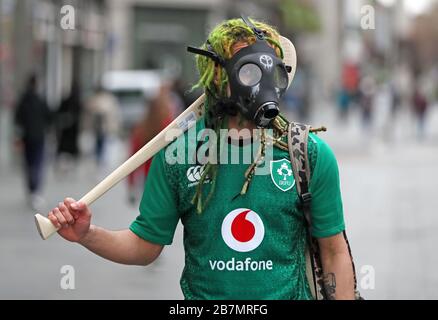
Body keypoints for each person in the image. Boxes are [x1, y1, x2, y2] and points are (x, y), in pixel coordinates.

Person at [46, 17, 356, 300]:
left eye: (271, 70)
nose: (263, 82)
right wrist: (88, 234)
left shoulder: (308, 154)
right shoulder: (178, 154)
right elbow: (144, 245)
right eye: (249, 70)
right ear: (219, 76)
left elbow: (334, 252)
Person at [127, 83, 174, 205]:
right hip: (168, 179)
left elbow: (133, 159)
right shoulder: (169, 126)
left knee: (151, 216)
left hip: (149, 179)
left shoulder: (141, 129)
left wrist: (131, 185)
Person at [14, 74, 51, 210]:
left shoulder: (23, 100)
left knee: (29, 164)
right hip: (39, 137)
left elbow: (17, 119)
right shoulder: (40, 100)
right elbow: (49, 117)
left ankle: (31, 189)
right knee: (38, 163)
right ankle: (35, 190)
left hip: (27, 138)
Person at [55, 82, 82, 167]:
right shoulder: (75, 102)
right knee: (67, 149)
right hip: (70, 131)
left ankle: (65, 165)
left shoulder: (70, 102)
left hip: (68, 131)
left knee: (65, 149)